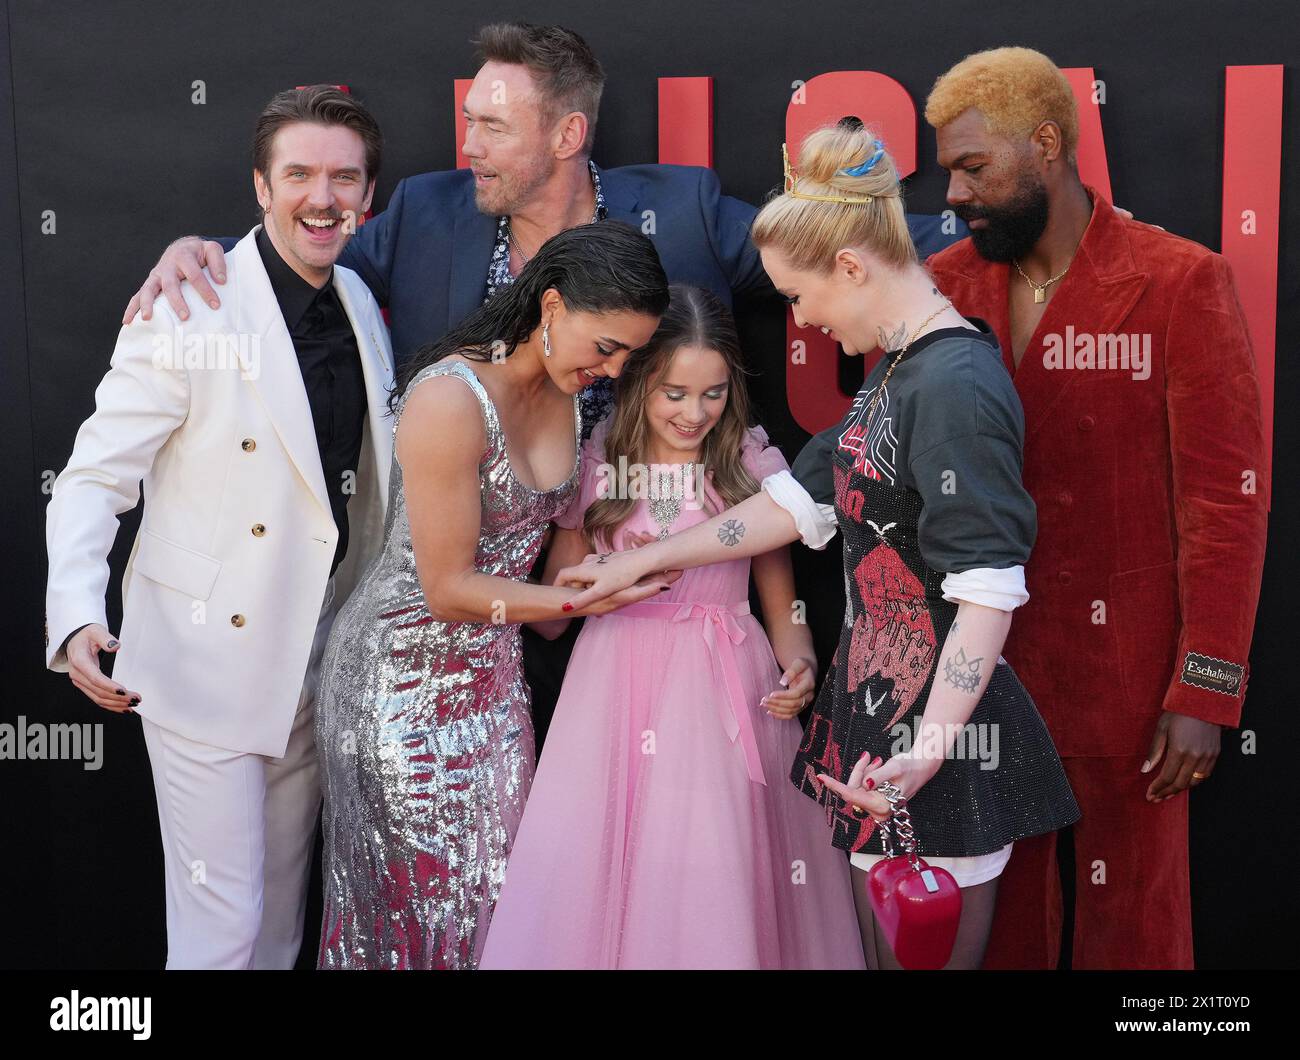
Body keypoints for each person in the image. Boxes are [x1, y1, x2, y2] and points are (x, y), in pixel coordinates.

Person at [114, 21, 968, 752]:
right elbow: (294, 266)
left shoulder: (681, 209)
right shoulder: (422, 213)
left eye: (491, 126)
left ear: (565, 136)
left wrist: (975, 235)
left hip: (638, 622)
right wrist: (208, 257)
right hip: (464, 623)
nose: (468, 146)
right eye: (468, 123)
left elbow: (836, 246)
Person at [555, 122, 1081, 970]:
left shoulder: (953, 383)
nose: (800, 320)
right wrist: (643, 559)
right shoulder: (902, 368)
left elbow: (987, 591)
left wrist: (930, 748)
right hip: (883, 737)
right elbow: (790, 506)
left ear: (849, 266)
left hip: (930, 749)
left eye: (798, 297)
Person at [921, 47, 1268, 968]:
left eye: (973, 166)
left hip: (1133, 680)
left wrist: (1208, 687)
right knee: (1001, 936)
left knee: (1140, 940)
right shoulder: (945, 285)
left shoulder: (1180, 280)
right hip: (982, 675)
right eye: (947, 168)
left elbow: (1225, 504)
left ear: (1047, 144)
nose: (953, 192)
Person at [43, 86, 395, 968]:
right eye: (301, 174)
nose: (324, 196)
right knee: (222, 926)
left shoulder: (360, 300)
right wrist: (77, 614)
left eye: (344, 177)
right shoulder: (189, 304)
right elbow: (91, 477)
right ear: (261, 187)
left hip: (314, 666)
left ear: (369, 194)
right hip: (204, 664)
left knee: (278, 922)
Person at [314, 221, 674, 970]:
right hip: (397, 692)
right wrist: (585, 603)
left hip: (496, 689)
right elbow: (448, 591)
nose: (614, 368)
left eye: (630, 354)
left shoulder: (579, 407)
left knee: (504, 908)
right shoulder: (450, 398)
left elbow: (544, 595)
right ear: (550, 307)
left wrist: (615, 563)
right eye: (605, 346)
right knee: (416, 919)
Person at [479, 286, 864, 969]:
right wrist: (591, 584)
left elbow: (783, 606)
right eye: (674, 394)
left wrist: (799, 664)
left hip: (727, 690)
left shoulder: (745, 463)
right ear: (638, 383)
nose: (694, 413)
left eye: (712, 394)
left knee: (711, 863)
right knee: (607, 861)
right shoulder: (600, 461)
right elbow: (551, 612)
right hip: (613, 689)